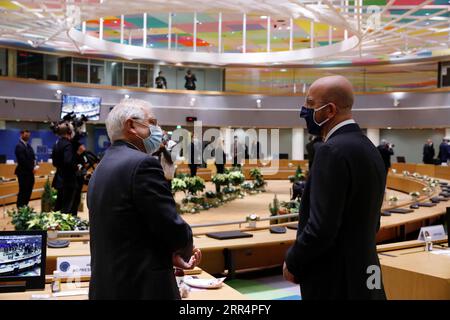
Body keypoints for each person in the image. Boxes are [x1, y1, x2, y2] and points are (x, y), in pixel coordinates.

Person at [283, 75, 386, 300]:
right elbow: (374, 220)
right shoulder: (369, 148)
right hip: (367, 270)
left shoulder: (330, 151)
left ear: (329, 110)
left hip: (335, 279)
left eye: (310, 104)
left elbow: (321, 228)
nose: (304, 111)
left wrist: (293, 261)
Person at [87, 99, 201, 300]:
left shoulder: (102, 166)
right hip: (141, 288)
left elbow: (131, 230)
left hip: (108, 286)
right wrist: (184, 249)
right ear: (131, 126)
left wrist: (168, 252)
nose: (157, 129)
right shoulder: (142, 164)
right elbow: (170, 225)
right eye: (153, 122)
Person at [51, 123, 84, 215]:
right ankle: (64, 228)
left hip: (59, 179)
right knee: (67, 208)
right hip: (68, 180)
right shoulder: (68, 144)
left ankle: (55, 225)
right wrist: (77, 156)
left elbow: (54, 163)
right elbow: (68, 161)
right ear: (69, 132)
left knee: (59, 206)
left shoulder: (56, 144)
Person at [14, 130, 36, 208]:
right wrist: (32, 168)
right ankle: (20, 208)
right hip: (23, 173)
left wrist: (35, 164)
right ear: (21, 134)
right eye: (26, 135)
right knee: (23, 191)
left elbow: (33, 157)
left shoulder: (28, 146)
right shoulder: (19, 146)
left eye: (28, 135)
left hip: (30, 173)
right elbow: (22, 160)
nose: (27, 136)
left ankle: (25, 207)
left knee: (28, 190)